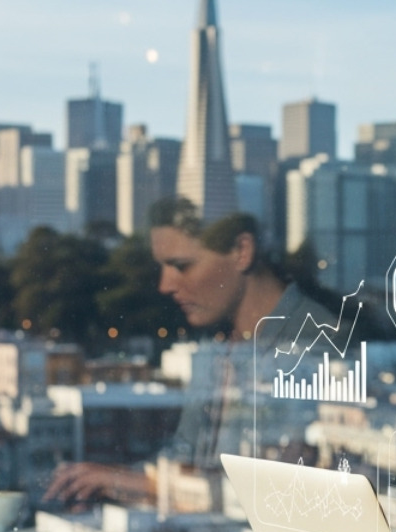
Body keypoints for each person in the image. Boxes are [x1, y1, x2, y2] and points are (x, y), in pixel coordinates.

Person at [47, 198, 332, 509]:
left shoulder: (321, 346)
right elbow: (187, 463)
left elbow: (271, 498)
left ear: (242, 252)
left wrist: (119, 481)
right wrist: (116, 481)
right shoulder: (218, 353)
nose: (164, 285)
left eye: (181, 265)